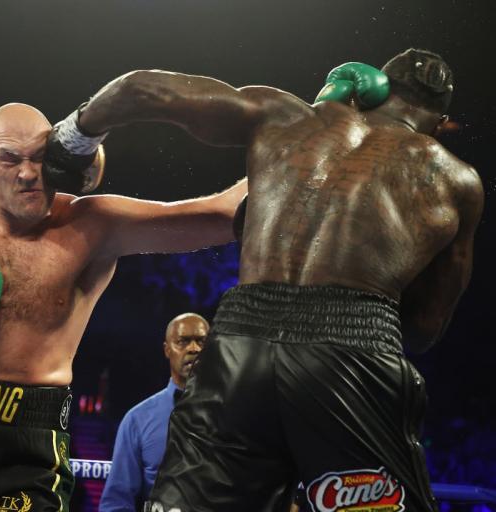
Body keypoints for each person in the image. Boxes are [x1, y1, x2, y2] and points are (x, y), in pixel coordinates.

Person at [48, 49, 484, 512]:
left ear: (375, 88)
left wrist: (71, 140)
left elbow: (142, 87)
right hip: (352, 352)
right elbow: (422, 330)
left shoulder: (287, 115)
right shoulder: (457, 180)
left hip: (240, 346)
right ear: (440, 124)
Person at [0, 103, 246, 511]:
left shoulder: (94, 225)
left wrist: (310, 138)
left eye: (40, 158)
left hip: (21, 443)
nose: (27, 173)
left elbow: (224, 215)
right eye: (10, 158)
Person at [99, 313, 208, 512]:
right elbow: (117, 502)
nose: (194, 349)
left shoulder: (233, 416)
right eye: (183, 342)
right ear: (167, 350)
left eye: (201, 342)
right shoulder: (138, 420)